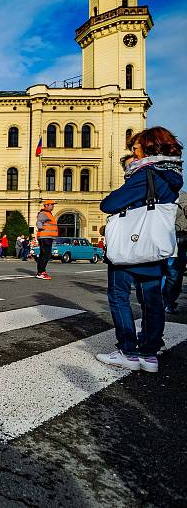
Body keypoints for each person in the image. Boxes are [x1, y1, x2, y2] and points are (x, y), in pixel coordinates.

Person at [96, 126, 183, 373]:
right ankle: (149, 353)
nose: (133, 153)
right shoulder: (171, 175)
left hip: (130, 248)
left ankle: (128, 351)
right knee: (152, 301)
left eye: (135, 148)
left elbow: (109, 204)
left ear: (149, 148)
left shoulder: (147, 174)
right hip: (153, 248)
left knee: (119, 297)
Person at [162, 189, 187, 313]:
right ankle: (164, 302)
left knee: (173, 273)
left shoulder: (181, 195)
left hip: (178, 238)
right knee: (168, 273)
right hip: (162, 237)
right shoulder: (160, 193)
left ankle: (168, 301)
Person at [35, 200, 58, 279]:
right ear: (46, 205)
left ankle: (41, 271)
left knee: (44, 254)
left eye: (53, 205)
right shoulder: (43, 213)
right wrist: (40, 227)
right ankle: (41, 272)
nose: (53, 206)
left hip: (47, 237)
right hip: (45, 237)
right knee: (46, 255)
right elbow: (39, 222)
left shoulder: (48, 214)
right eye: (52, 205)